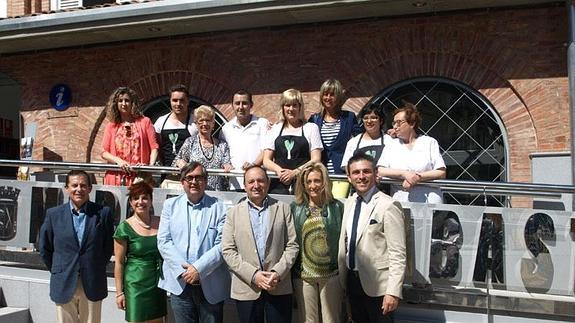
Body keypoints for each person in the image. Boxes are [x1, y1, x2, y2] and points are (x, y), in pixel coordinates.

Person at [222, 165, 299, 323]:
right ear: (245, 185)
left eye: (260, 181)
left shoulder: (283, 209)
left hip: (278, 285)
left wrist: (277, 272)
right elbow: (228, 251)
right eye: (251, 182)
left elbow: (292, 245)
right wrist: (254, 275)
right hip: (246, 286)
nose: (256, 185)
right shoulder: (233, 213)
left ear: (268, 183)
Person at [157, 162, 231, 323]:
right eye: (189, 177)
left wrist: (198, 269)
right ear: (182, 181)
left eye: (198, 177)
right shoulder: (170, 206)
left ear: (205, 181)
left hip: (211, 283)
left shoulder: (220, 207)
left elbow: (223, 244)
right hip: (180, 283)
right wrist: (185, 272)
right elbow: (164, 241)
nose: (193, 181)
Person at [339, 152, 406, 323]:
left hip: (379, 288)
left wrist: (393, 292)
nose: (361, 177)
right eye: (356, 172)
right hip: (352, 281)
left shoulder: (389, 205)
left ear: (375, 174)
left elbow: (398, 253)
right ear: (349, 177)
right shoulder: (349, 203)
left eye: (366, 171)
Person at [39, 170, 114, 323]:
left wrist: (94, 265)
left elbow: (107, 247)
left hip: (92, 280)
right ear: (66, 188)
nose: (79, 189)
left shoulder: (103, 213)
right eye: (74, 185)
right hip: (64, 279)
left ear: (90, 188)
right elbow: (45, 248)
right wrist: (59, 268)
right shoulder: (54, 215)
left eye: (83, 185)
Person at [290, 162, 344, 323]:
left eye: (317, 181)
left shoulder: (337, 207)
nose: (313, 186)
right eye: (309, 182)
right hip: (304, 275)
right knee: (308, 320)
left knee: (331, 320)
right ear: (303, 185)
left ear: (325, 182)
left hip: (331, 274)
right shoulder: (295, 208)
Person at [113, 181, 166, 323]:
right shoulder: (124, 228)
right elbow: (118, 262)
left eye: (145, 198)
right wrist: (119, 293)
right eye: (136, 198)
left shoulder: (162, 223)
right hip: (135, 284)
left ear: (151, 201)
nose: (140, 202)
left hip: (157, 283)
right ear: (130, 202)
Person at [377, 103, 446, 203]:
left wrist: (417, 178)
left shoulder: (429, 142)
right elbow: (381, 170)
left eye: (399, 122)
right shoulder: (391, 145)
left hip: (429, 201)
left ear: (412, 123)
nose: (395, 126)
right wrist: (405, 174)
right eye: (394, 123)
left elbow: (441, 172)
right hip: (401, 201)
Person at [263, 89, 323, 194]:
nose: (291, 109)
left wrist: (295, 172)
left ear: (300, 107)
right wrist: (279, 171)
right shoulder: (275, 129)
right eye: (287, 105)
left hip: (304, 183)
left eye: (294, 105)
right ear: (282, 107)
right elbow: (266, 160)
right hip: (278, 183)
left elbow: (316, 159)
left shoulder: (311, 128)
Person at [101, 86, 159, 186]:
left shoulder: (145, 122)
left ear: (133, 103)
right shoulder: (111, 126)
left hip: (139, 176)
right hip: (116, 176)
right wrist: (119, 161)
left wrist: (149, 166)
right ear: (116, 103)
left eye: (127, 100)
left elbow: (154, 147)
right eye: (120, 101)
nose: (124, 104)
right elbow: (104, 152)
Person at [173, 105, 233, 191]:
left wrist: (227, 166)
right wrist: (180, 162)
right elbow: (177, 161)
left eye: (208, 120)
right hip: (195, 191)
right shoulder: (190, 142)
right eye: (201, 121)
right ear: (196, 124)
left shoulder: (222, 145)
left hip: (218, 193)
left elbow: (226, 163)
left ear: (213, 124)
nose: (204, 124)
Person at [309, 79, 362, 175]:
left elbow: (362, 138)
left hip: (341, 173)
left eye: (332, 94)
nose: (328, 98)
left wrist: (386, 133)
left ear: (338, 97)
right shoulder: (314, 119)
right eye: (325, 94)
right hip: (319, 173)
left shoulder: (349, 117)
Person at [219, 90, 269, 191]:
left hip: (258, 184)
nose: (240, 107)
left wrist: (253, 165)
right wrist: (226, 164)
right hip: (235, 184)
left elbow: (266, 150)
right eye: (237, 103)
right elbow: (222, 153)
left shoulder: (263, 124)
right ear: (232, 105)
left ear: (251, 105)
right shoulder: (226, 129)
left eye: (244, 103)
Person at [154, 84, 198, 168]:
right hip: (167, 171)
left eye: (182, 100)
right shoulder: (161, 121)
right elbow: (157, 146)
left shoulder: (195, 122)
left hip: (189, 173)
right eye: (175, 100)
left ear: (188, 101)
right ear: (170, 101)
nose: (178, 104)